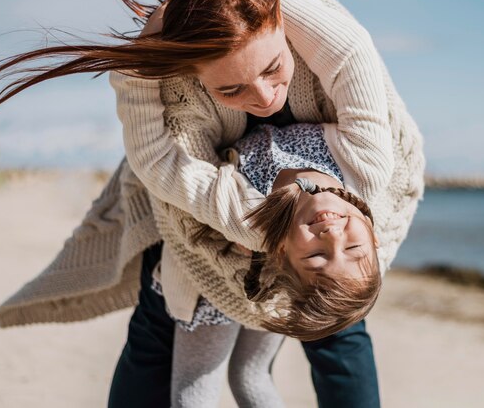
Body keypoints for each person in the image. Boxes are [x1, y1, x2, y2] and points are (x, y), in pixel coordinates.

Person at [0, 0, 425, 407]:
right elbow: (156, 156)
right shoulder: (332, 174)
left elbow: (349, 52)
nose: (265, 97)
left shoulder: (322, 197)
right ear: (196, 76)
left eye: (275, 69)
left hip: (258, 209)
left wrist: (183, 25)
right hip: (198, 191)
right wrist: (233, 8)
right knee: (161, 318)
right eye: (232, 88)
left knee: (336, 320)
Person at [163, 121, 383, 407]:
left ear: (280, 254)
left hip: (217, 292)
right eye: (353, 247)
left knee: (198, 384)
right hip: (271, 292)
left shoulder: (248, 216)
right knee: (249, 375)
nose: (332, 238)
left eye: (318, 256)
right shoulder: (350, 185)